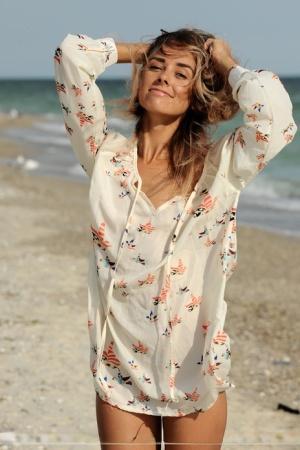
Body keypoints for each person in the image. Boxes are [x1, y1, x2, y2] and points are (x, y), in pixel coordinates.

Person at [53, 27, 297, 450]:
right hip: (120, 369)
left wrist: (223, 61)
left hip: (194, 367)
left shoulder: (221, 167)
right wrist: (137, 51)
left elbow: (275, 118)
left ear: (198, 94)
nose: (164, 77)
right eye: (156, 67)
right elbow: (71, 57)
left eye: (182, 73)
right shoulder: (104, 157)